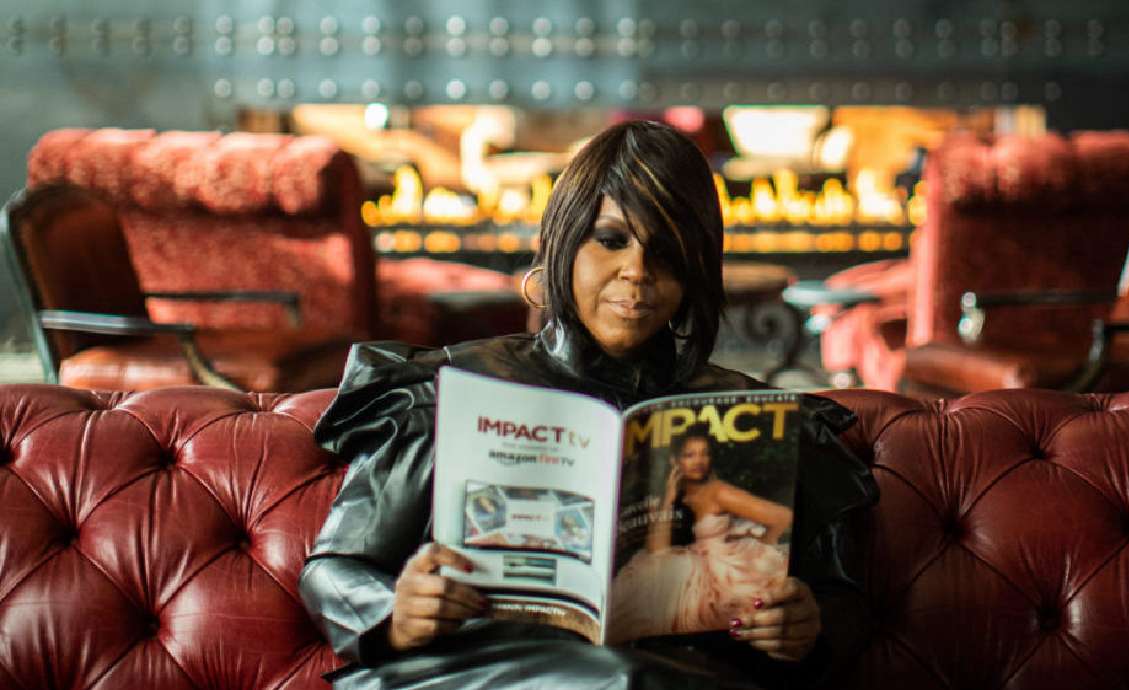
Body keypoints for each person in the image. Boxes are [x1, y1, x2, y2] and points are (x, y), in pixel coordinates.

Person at [299, 120, 879, 690]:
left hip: (683, 674)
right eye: (610, 240)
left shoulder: (758, 420)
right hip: (479, 666)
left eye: (668, 252)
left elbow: (841, 599)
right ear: (562, 243)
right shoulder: (448, 390)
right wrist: (396, 611)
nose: (637, 272)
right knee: (625, 680)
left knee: (635, 678)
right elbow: (332, 570)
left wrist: (806, 625)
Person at [609, 427, 794, 640]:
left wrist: (764, 545)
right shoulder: (670, 495)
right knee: (649, 574)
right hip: (687, 569)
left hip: (722, 569)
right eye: (690, 455)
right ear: (674, 461)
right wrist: (668, 499)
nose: (699, 460)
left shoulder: (718, 491)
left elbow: (782, 516)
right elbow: (656, 552)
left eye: (704, 453)